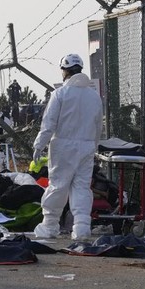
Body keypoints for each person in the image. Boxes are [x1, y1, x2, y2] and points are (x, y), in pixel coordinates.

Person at [32, 53, 103, 241]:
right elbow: (98, 126)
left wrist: (39, 144)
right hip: (87, 147)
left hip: (63, 146)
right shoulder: (94, 96)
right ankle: (81, 228)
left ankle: (49, 226)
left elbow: (49, 124)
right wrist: (93, 147)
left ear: (65, 70)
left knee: (58, 185)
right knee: (81, 187)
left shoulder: (60, 94)